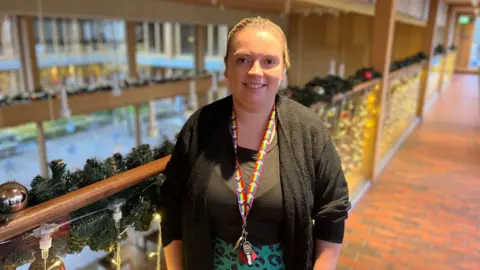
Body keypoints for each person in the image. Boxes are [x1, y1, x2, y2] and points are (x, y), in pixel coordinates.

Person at [159, 17, 351, 270]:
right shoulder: (200, 126)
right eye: (243, 60)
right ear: (227, 67)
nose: (255, 72)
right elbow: (171, 205)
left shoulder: (308, 129)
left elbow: (332, 209)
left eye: (269, 61)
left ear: (283, 70)